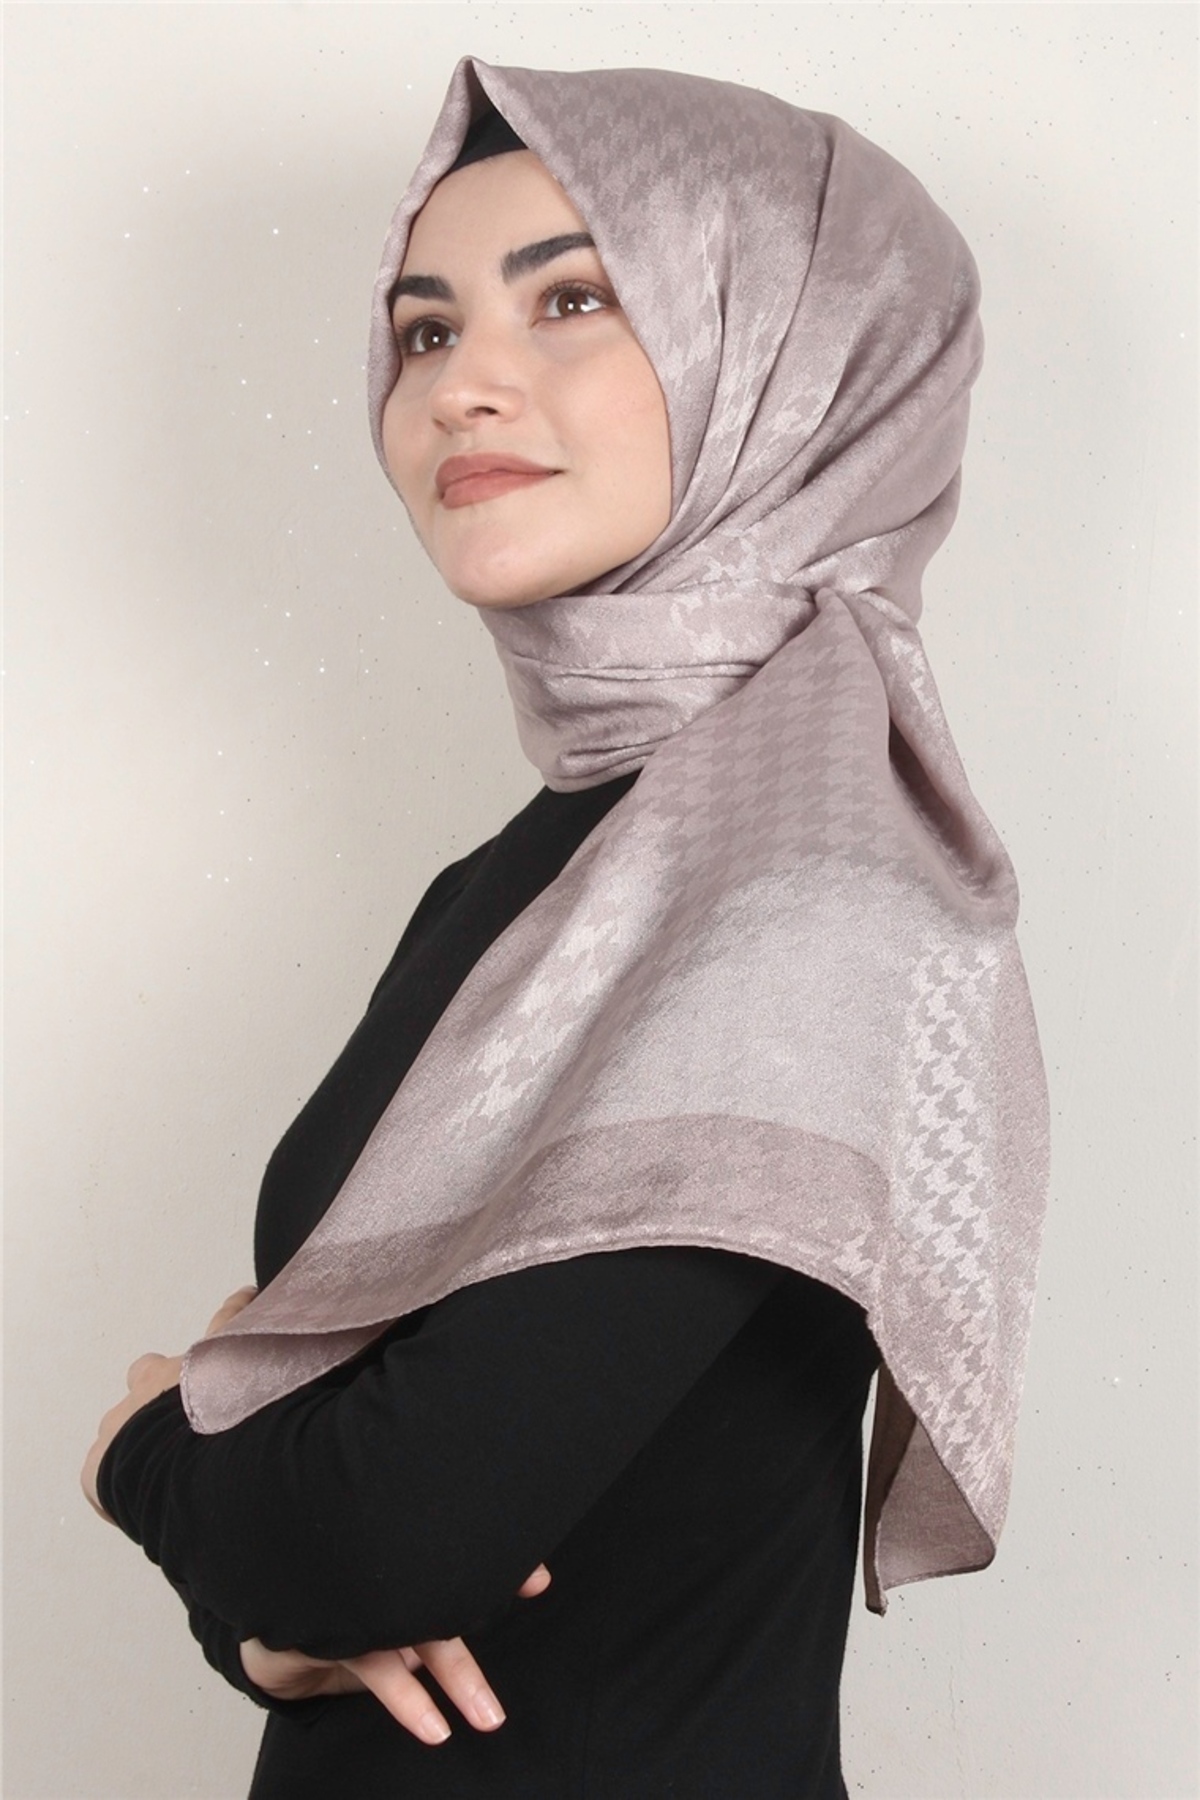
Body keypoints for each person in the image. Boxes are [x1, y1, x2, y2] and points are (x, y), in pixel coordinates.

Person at [82, 57, 1049, 1800]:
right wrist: (259, 1620)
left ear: (792, 364)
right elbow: (333, 1547)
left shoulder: (811, 904)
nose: (460, 384)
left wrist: (141, 1445)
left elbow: (385, 1528)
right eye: (426, 328)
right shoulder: (517, 877)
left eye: (576, 299)